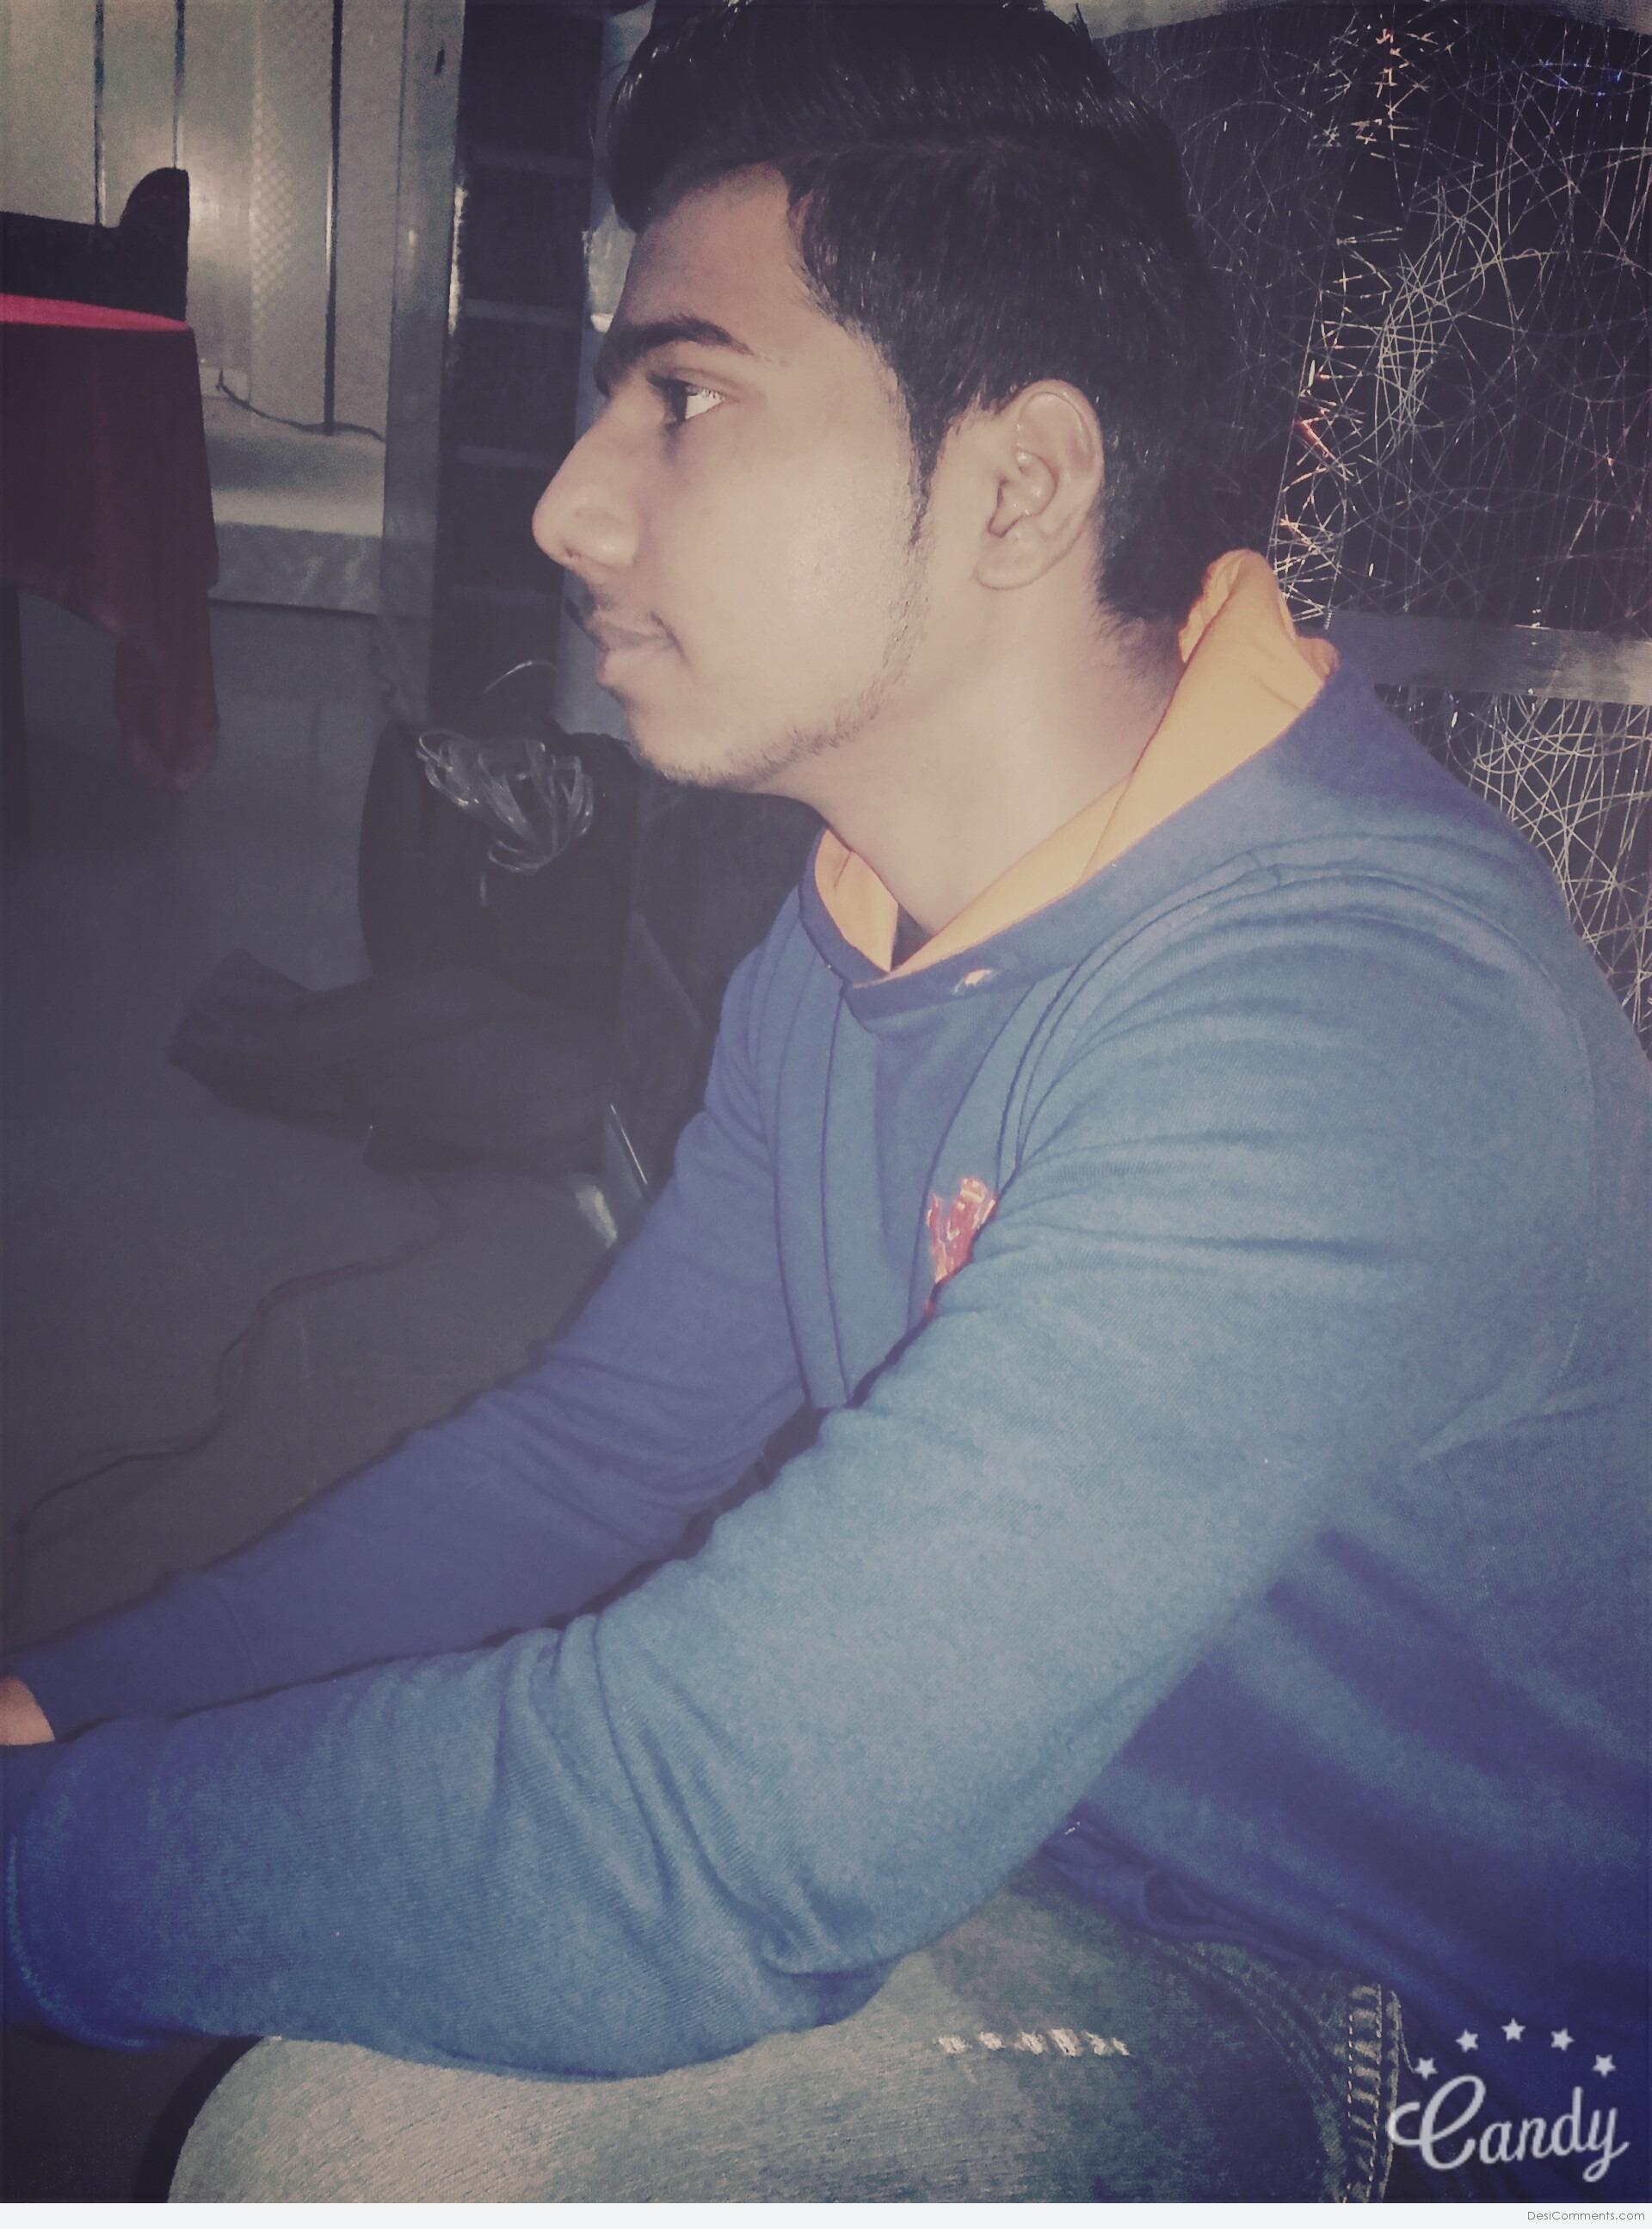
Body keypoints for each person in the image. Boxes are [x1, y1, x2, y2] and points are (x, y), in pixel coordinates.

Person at [3, 0, 1646, 2203]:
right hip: (1044, 1804)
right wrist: (77, 1702)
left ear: (1020, 484)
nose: (572, 501)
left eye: (683, 396)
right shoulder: (871, 908)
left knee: (367, 2154)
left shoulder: (1356, 1027)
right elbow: (609, 1446)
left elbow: (705, 1829)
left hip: (1415, 2031)